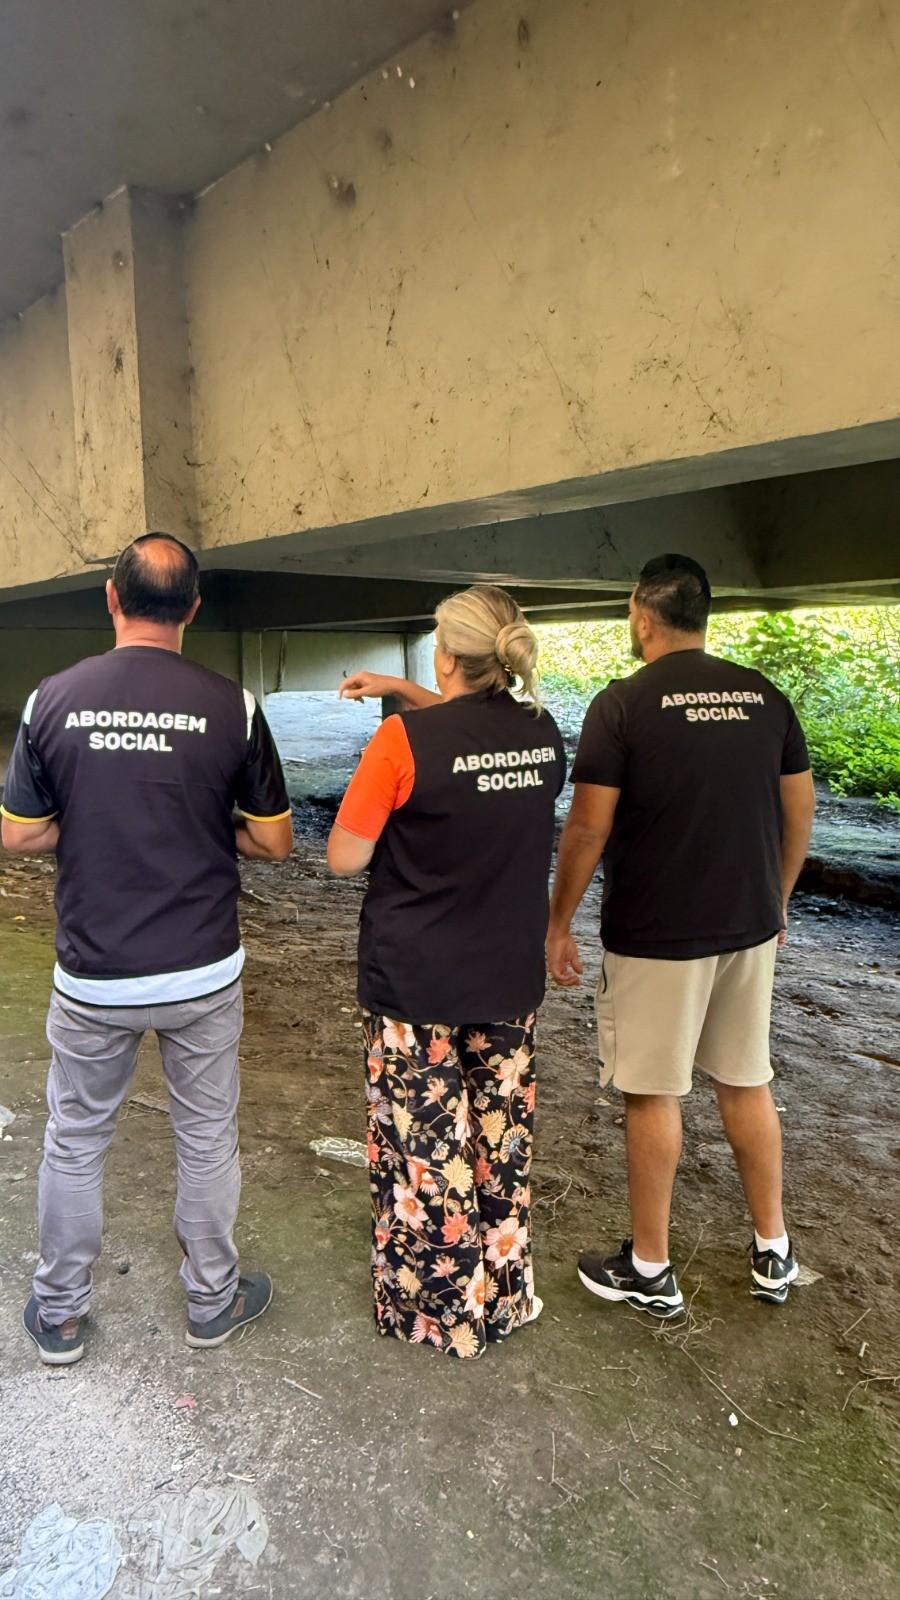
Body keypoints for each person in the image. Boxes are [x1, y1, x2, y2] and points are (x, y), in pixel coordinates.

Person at [1, 533, 292, 1366]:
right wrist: (210, 825)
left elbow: (18, 835)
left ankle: (58, 1315)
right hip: (202, 969)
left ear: (110, 598)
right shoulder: (231, 705)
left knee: (75, 1137)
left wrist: (81, 822)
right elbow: (274, 843)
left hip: (94, 975)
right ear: (194, 608)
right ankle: (212, 1301)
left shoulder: (51, 699)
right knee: (206, 1136)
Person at [547, 554, 816, 1319]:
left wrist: (559, 920)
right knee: (746, 1079)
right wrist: (779, 898)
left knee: (653, 1092)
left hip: (659, 934)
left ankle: (651, 1267)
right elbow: (800, 810)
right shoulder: (766, 696)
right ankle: (774, 1250)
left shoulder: (624, 704)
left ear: (641, 614)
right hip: (749, 925)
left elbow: (589, 827)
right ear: (704, 615)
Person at [327, 585, 566, 1359]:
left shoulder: (401, 746)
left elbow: (343, 858)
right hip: (507, 975)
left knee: (427, 1154)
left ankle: (447, 1317)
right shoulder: (543, 734)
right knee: (501, 1140)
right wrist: (402, 692)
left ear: (448, 655)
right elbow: (470, 739)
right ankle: (506, 1296)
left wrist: (399, 715)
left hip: (417, 984)